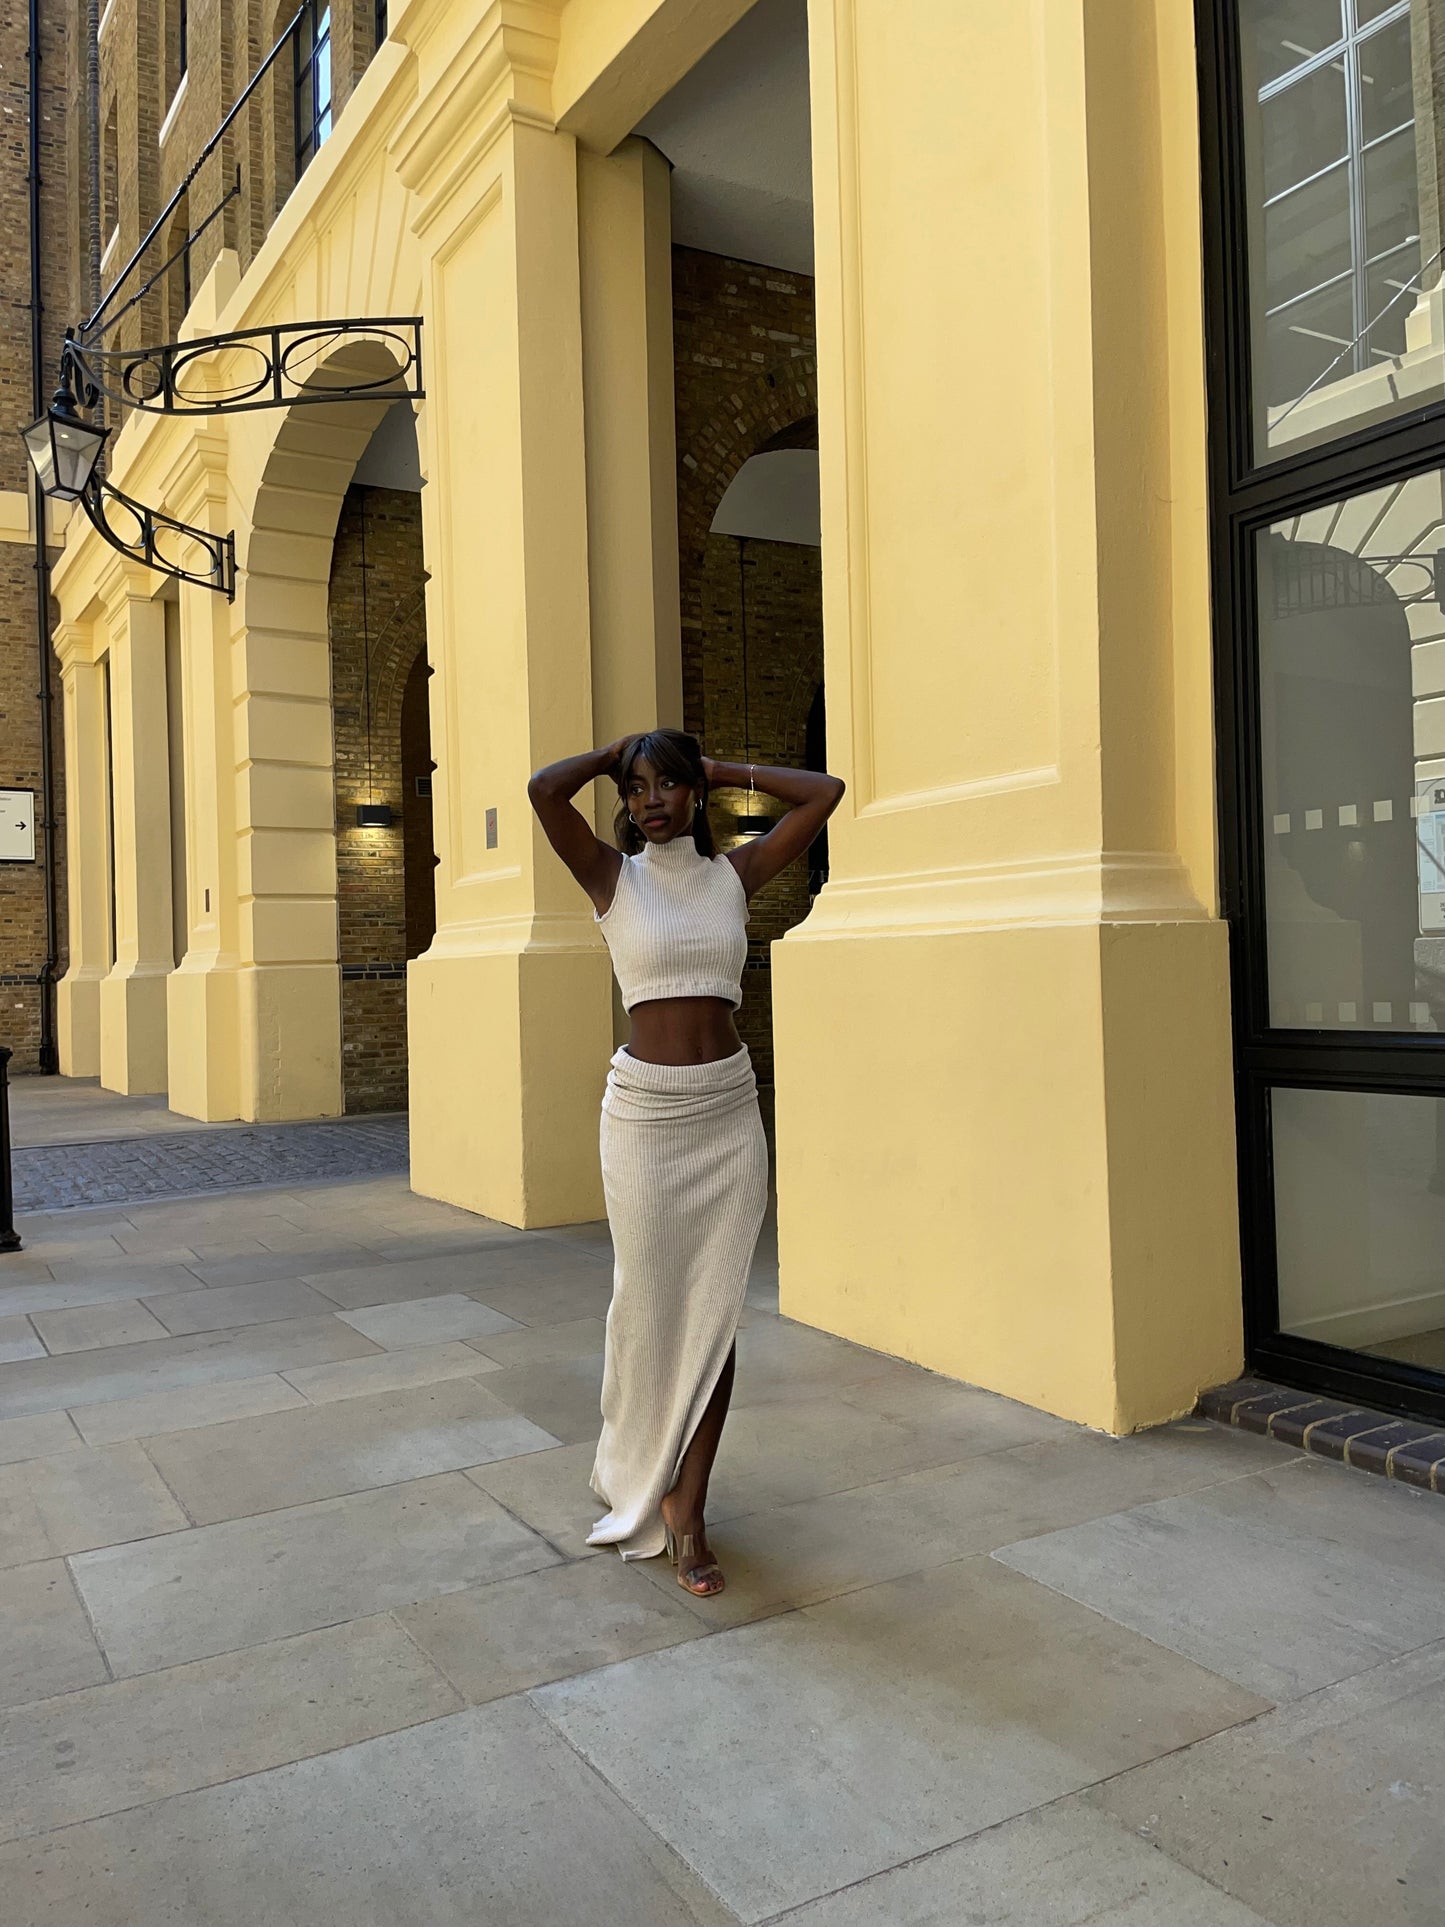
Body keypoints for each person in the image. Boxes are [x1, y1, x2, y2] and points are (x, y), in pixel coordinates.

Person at [527, 728, 844, 1595]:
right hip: (643, 1120)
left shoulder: (731, 877)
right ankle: (639, 1463)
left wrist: (721, 767)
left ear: (695, 792)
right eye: (636, 789)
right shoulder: (611, 879)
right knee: (646, 1306)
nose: (651, 800)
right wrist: (604, 758)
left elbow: (824, 792)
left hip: (727, 1114)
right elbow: (542, 791)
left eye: (667, 784)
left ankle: (689, 1510)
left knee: (712, 1315)